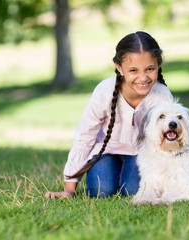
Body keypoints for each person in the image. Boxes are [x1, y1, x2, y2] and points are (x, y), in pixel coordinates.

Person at [45, 31, 173, 199]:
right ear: (119, 68)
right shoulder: (104, 91)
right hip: (106, 151)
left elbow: (170, 140)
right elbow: (84, 136)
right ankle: (112, 171)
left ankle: (127, 174)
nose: (143, 77)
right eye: (133, 70)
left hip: (141, 154)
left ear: (158, 66)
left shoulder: (161, 96)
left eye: (150, 69)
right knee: (101, 191)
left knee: (132, 191)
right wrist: (69, 188)